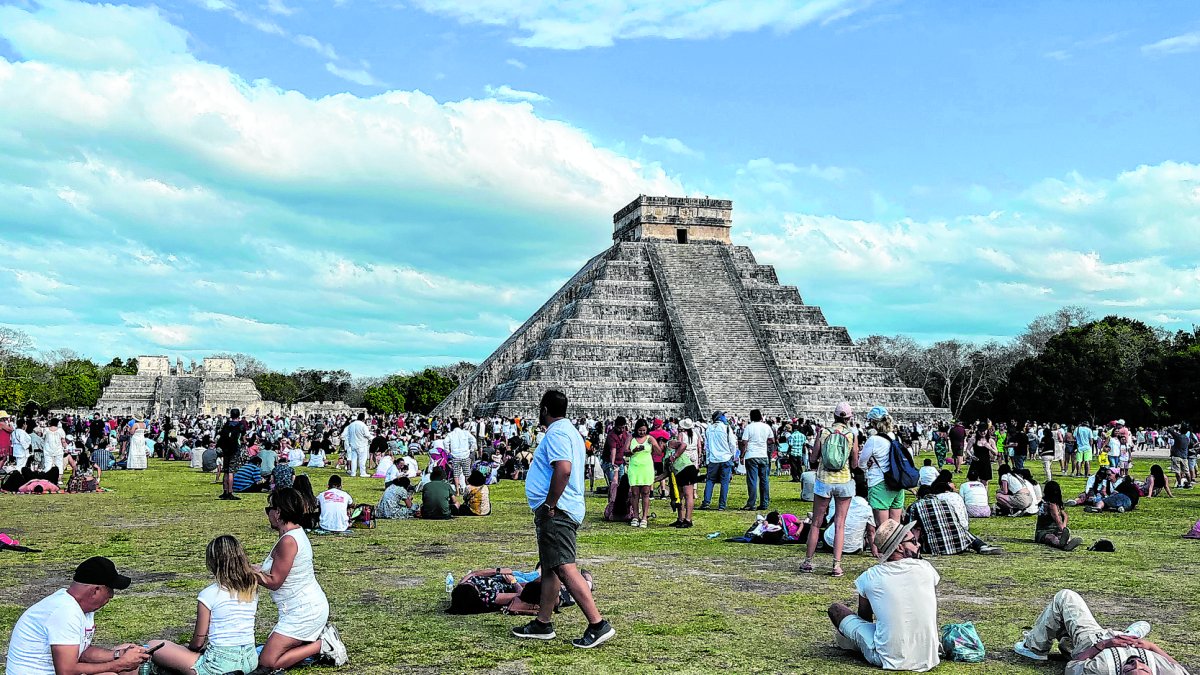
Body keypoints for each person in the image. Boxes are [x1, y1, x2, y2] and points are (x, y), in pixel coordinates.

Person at [512, 389, 615, 648]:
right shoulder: (571, 432)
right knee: (550, 566)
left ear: (545, 409)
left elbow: (564, 469)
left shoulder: (557, 432)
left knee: (564, 566)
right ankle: (542, 623)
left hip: (558, 510)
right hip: (563, 508)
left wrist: (549, 503)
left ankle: (597, 624)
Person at [828, 520, 941, 672]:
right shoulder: (927, 569)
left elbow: (865, 618)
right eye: (913, 541)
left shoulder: (869, 577)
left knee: (836, 609)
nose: (918, 544)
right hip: (929, 656)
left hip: (887, 658)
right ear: (900, 547)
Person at [6, 556, 150, 674]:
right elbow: (66, 671)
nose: (112, 596)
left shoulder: (83, 608)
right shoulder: (65, 611)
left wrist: (118, 654)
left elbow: (82, 652)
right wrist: (118, 665)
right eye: (110, 590)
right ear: (95, 591)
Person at [255, 488, 346, 669]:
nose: (268, 514)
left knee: (268, 661)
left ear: (279, 512)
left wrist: (247, 573)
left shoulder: (288, 541)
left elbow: (274, 582)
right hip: (303, 608)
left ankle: (321, 645)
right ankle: (314, 642)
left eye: (269, 509)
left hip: (303, 612)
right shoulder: (294, 534)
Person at [147, 536, 259, 675]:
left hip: (219, 664)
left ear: (212, 562)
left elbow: (198, 642)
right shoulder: (251, 589)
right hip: (250, 659)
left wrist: (188, 649)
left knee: (153, 646)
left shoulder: (208, 594)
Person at [1014, 590, 1189, 674]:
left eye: (1129, 669)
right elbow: (1181, 669)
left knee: (1066, 597)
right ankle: (1066, 639)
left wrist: (1103, 645)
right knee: (1144, 625)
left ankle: (1035, 648)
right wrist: (1150, 646)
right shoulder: (1167, 672)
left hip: (1094, 640)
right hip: (1131, 640)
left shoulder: (1102, 669)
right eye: (1143, 668)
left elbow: (1072, 666)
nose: (1136, 663)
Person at [802, 402, 859, 577]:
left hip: (824, 481)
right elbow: (855, 463)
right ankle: (836, 565)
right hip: (844, 481)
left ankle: (808, 562)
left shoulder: (824, 432)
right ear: (849, 418)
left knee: (816, 523)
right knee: (840, 524)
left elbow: (813, 458)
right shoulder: (851, 435)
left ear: (833, 416)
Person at [907, 483, 1002, 556]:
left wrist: (914, 545)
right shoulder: (946, 502)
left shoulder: (915, 506)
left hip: (935, 547)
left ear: (919, 496)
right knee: (961, 529)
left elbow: (915, 529)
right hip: (960, 543)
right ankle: (981, 546)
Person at [861, 406, 903, 525]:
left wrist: (868, 465)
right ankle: (897, 545)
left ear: (874, 423)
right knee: (895, 527)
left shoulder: (874, 440)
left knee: (883, 529)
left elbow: (861, 463)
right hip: (897, 482)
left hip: (879, 483)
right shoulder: (895, 437)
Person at [700, 411, 737, 511]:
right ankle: (721, 505)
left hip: (713, 458)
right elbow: (733, 443)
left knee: (710, 481)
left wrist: (707, 459)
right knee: (725, 482)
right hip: (725, 457)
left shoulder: (709, 429)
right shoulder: (726, 428)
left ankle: (706, 502)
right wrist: (732, 455)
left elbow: (706, 446)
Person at [667, 418, 700, 528]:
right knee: (683, 493)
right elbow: (699, 446)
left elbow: (682, 446)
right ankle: (681, 518)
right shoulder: (695, 434)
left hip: (684, 461)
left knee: (686, 494)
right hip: (692, 458)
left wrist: (675, 455)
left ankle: (687, 519)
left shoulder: (681, 435)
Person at [625, 419, 658, 528]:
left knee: (646, 492)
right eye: (640, 430)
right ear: (636, 429)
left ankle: (644, 517)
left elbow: (658, 452)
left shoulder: (650, 438)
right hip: (634, 468)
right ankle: (635, 516)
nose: (642, 433)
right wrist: (634, 450)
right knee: (634, 493)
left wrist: (653, 444)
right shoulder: (631, 438)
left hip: (646, 468)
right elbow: (625, 452)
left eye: (644, 430)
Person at [1035, 481, 1083, 551]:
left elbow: (1065, 516)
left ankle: (1065, 543)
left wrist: (1064, 529)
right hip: (1043, 532)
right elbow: (1057, 519)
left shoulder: (1051, 503)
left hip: (1055, 530)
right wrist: (1063, 529)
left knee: (1058, 536)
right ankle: (1063, 544)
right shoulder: (1051, 505)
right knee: (1052, 538)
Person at [740, 409, 772, 511]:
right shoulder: (766, 427)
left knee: (752, 481)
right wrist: (763, 442)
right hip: (763, 455)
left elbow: (744, 442)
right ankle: (764, 503)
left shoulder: (749, 427)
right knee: (764, 480)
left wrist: (742, 455)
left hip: (751, 455)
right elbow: (772, 440)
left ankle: (751, 503)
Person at [217, 409, 245, 500]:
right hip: (234, 449)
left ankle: (225, 491)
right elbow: (243, 438)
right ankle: (230, 491)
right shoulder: (240, 425)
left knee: (225, 471)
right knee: (231, 472)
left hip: (226, 449)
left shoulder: (227, 424)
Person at [446, 421, 477, 493]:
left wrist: (447, 451)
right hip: (465, 455)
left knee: (456, 474)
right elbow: (473, 440)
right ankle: (469, 489)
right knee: (467, 473)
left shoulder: (450, 434)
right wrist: (471, 449)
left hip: (455, 455)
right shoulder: (465, 433)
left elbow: (445, 442)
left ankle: (457, 490)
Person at [341, 413, 371, 478]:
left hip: (353, 444)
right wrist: (371, 439)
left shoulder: (351, 425)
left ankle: (353, 473)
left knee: (354, 459)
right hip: (361, 444)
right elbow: (367, 435)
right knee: (362, 460)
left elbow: (348, 435)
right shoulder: (363, 425)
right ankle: (362, 473)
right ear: (363, 419)